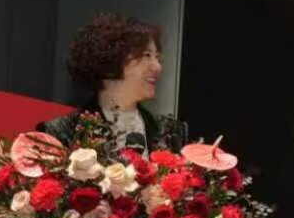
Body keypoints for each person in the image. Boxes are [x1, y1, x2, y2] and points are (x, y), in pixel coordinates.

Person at [44, 12, 188, 151]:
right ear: (111, 61)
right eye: (146, 55)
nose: (157, 66)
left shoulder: (172, 132)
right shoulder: (64, 132)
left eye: (157, 57)